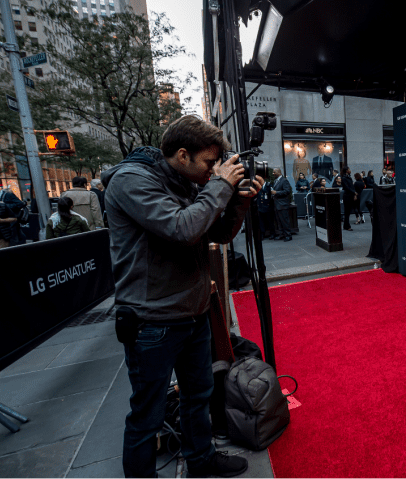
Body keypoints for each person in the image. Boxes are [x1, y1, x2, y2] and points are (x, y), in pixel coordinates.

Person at [100, 115, 262, 479]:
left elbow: (214, 232)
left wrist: (239, 202)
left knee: (198, 397)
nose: (211, 171)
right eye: (208, 163)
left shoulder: (187, 180)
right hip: (151, 320)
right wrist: (220, 186)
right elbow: (181, 229)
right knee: (148, 414)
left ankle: (201, 460)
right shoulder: (131, 181)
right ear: (184, 155)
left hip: (193, 310)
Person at [270, 168, 293, 241]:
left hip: (282, 205)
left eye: (274, 172)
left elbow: (287, 191)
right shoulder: (276, 181)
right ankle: (281, 234)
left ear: (279, 172)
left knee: (284, 221)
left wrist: (276, 192)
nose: (273, 173)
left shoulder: (284, 180)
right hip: (277, 204)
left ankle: (288, 235)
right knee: (279, 221)